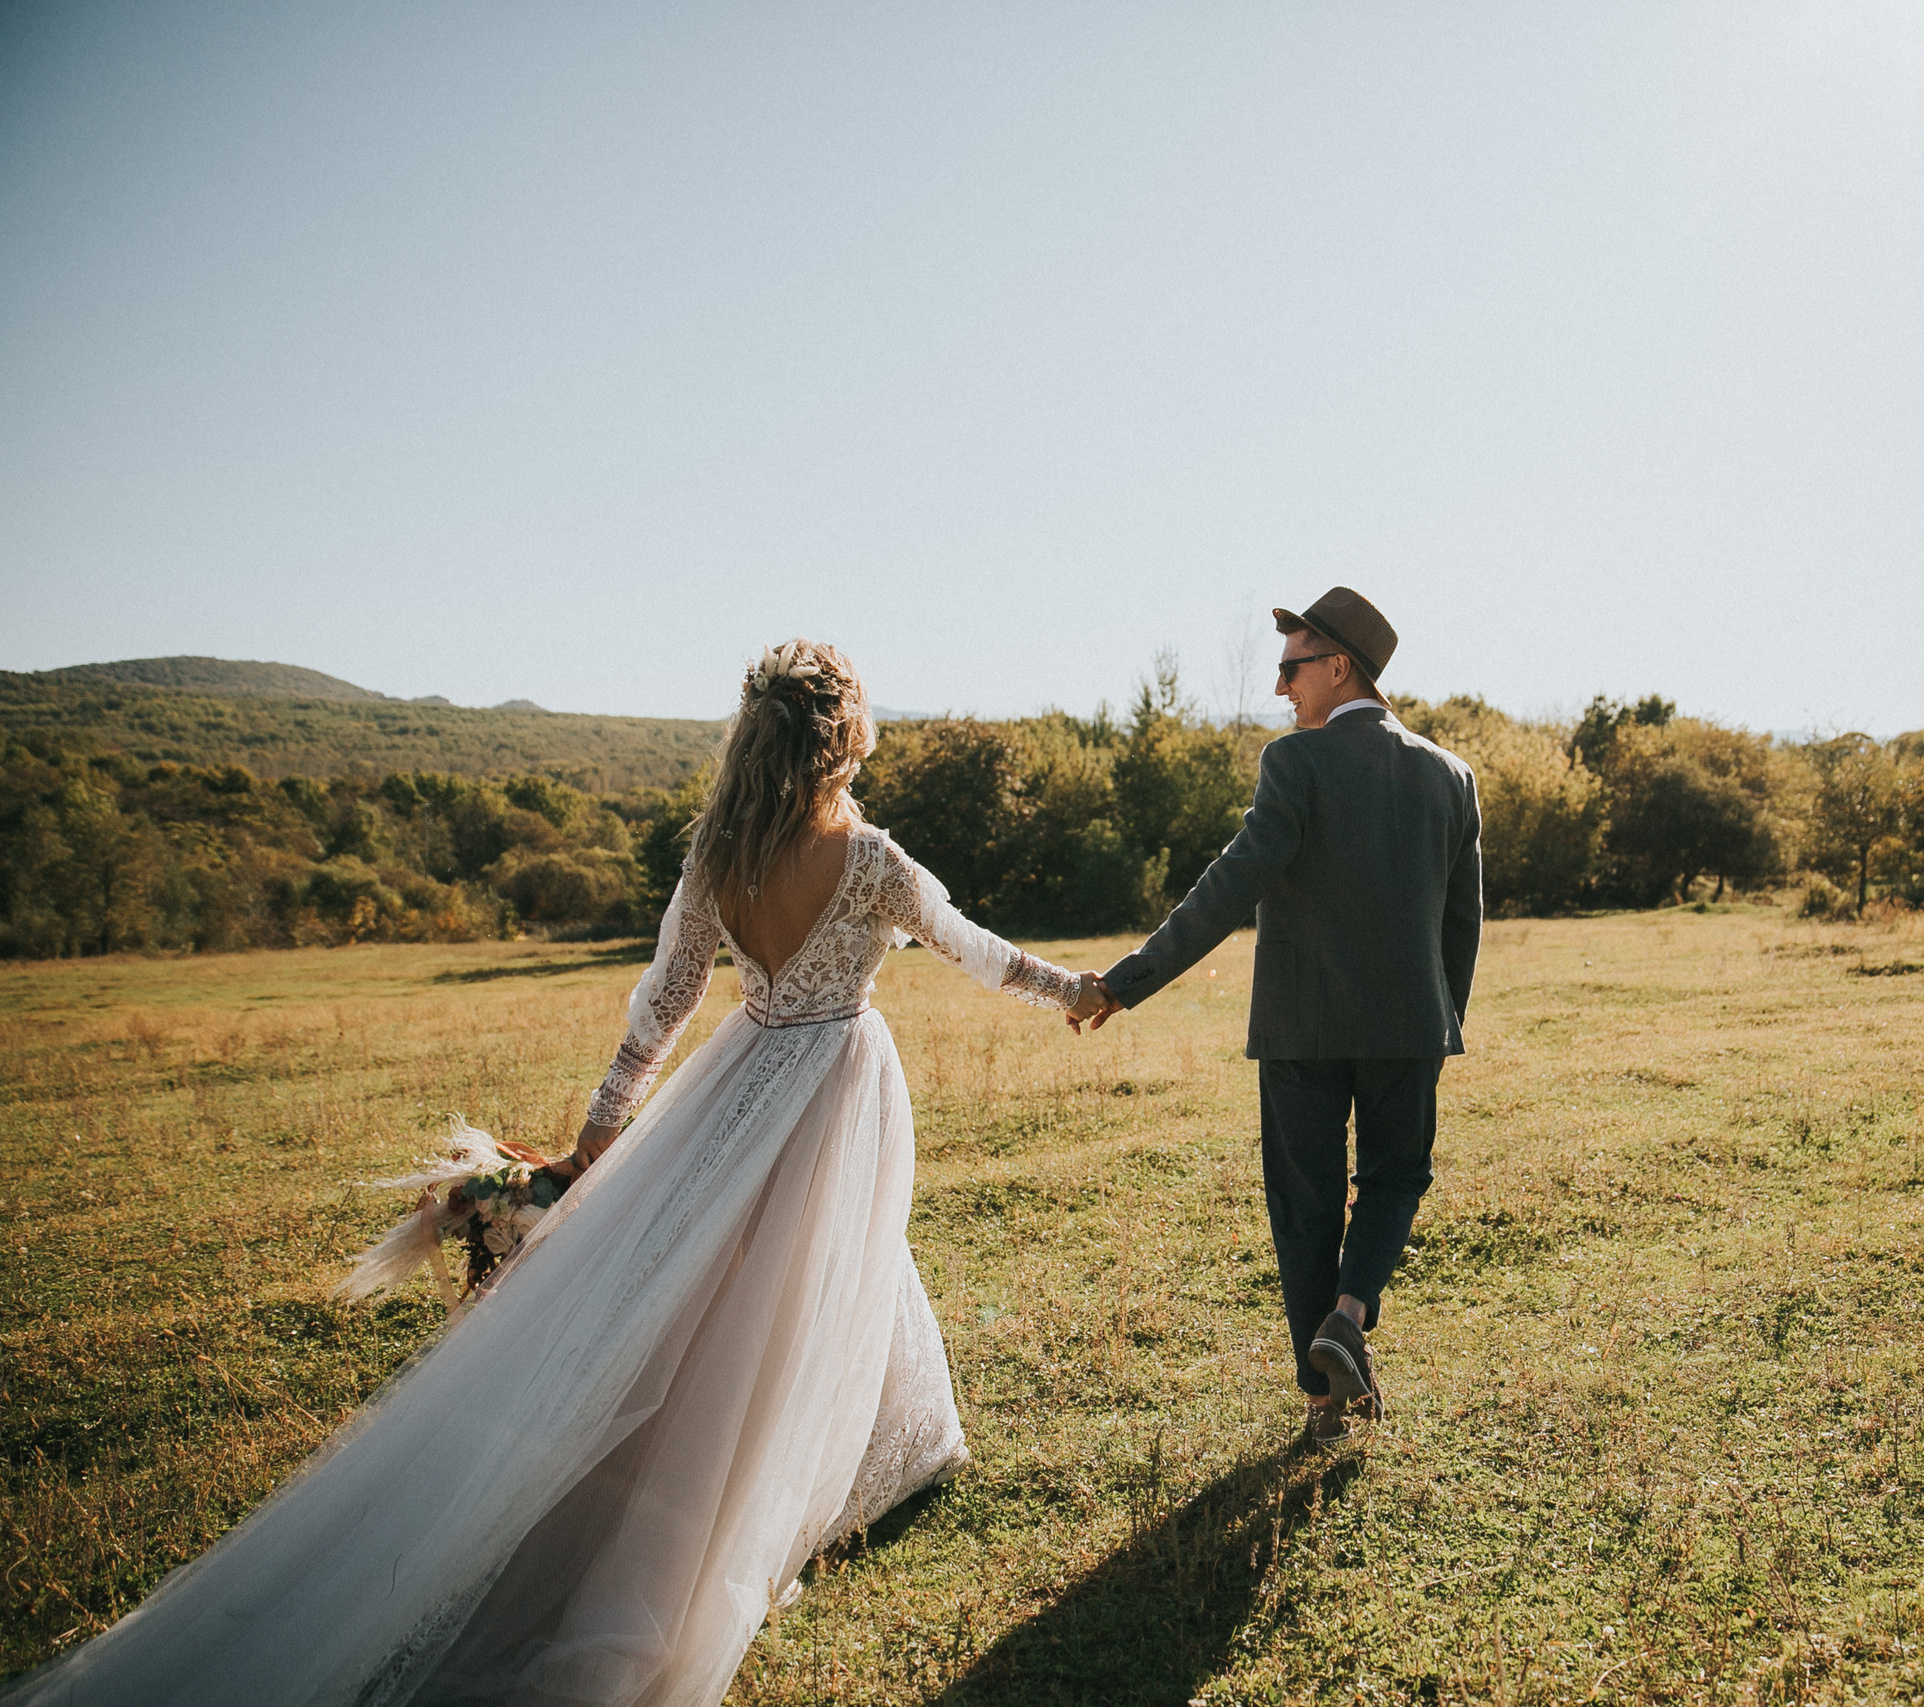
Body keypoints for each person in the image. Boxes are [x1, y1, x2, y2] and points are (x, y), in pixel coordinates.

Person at [7, 641, 1094, 1707]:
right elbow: (975, 950)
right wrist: (1076, 989)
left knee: (753, 1278)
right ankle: (777, 1488)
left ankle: (892, 1435)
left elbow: (656, 1019)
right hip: (837, 1081)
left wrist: (595, 1142)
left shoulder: (721, 853)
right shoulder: (872, 861)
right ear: (846, 743)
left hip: (742, 1077)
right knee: (819, 1269)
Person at [1069, 588, 1483, 1441]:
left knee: (1304, 1203)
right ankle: (1350, 1315)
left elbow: (1226, 890)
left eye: (1293, 668)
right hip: (1411, 1025)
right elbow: (1461, 922)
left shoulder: (1295, 765)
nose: (1282, 687)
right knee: (1396, 1178)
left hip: (1300, 1029)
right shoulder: (1452, 775)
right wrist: (1442, 1020)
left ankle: (1323, 1403)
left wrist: (1125, 981)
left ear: (1340, 668)